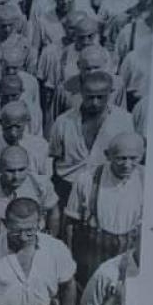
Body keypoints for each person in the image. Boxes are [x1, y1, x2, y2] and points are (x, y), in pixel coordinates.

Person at [64, 131, 144, 305]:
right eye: (121, 158)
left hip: (129, 253)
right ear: (108, 156)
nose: (127, 164)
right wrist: (69, 260)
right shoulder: (87, 178)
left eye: (133, 158)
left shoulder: (145, 179)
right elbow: (70, 223)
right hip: (92, 253)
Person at [48, 71, 135, 207]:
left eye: (100, 97)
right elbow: (53, 158)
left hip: (106, 188)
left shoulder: (124, 121)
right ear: (81, 93)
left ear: (110, 93)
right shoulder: (63, 122)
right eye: (90, 97)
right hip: (67, 187)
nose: (95, 102)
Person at [0, 146, 60, 245]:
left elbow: (54, 213)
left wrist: (50, 242)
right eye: (10, 171)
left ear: (28, 166)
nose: (16, 176)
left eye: (21, 170)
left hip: (32, 246)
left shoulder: (41, 186)